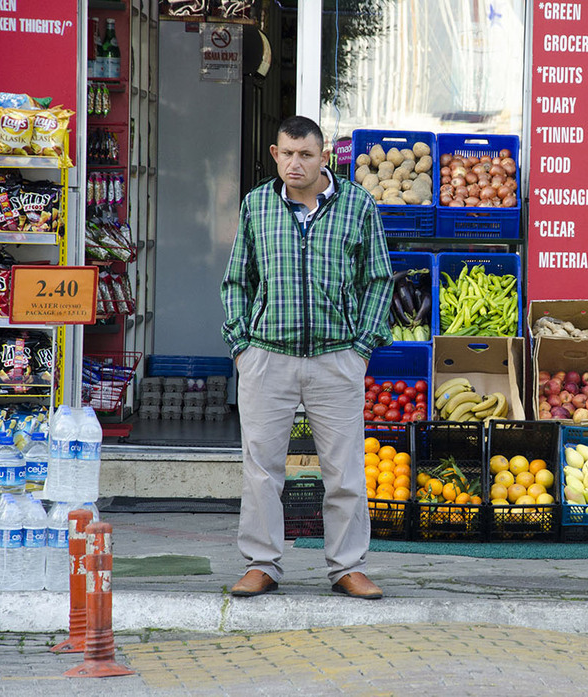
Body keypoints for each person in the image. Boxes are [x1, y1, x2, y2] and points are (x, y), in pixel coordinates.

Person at [221, 115, 393, 600]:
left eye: (306, 155)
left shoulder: (357, 205)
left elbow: (379, 281)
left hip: (336, 358)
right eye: (287, 154)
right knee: (261, 470)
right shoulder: (257, 204)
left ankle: (347, 567)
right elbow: (237, 280)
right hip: (267, 357)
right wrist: (241, 347)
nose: (295, 163)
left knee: (345, 472)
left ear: (324, 158)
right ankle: (262, 564)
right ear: (275, 154)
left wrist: (361, 350)